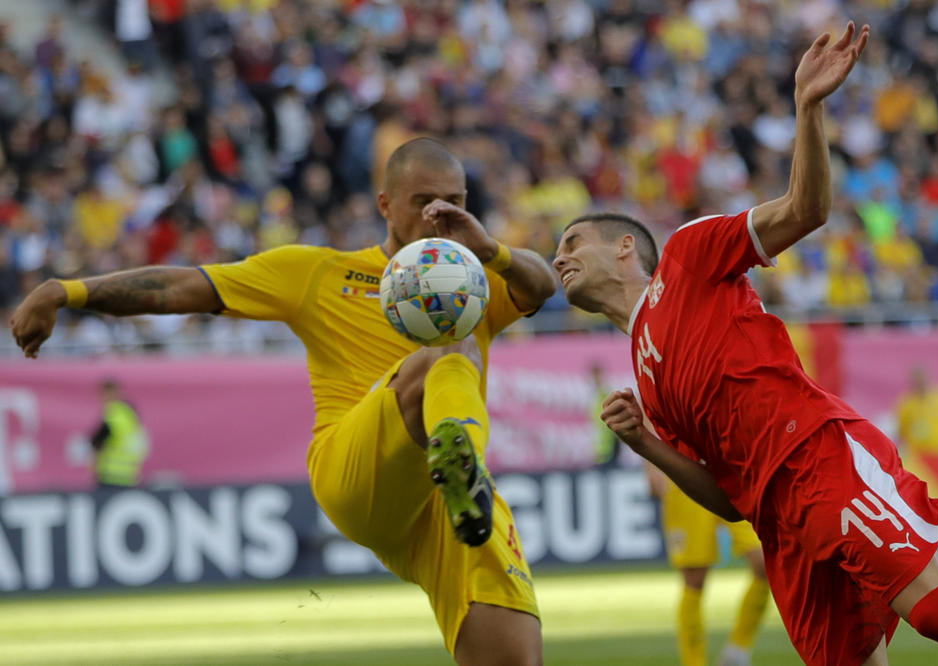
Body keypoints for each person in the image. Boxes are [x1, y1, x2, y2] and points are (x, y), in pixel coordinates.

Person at [9, 138, 556, 665]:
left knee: (511, 656)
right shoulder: (318, 273)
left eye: (454, 202)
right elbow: (184, 288)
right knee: (445, 340)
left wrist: (490, 249)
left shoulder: (477, 276)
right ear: (384, 204)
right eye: (424, 202)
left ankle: (463, 474)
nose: (440, 214)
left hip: (450, 508)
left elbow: (542, 286)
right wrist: (68, 291)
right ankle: (461, 455)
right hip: (355, 466)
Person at [553, 22, 938, 666]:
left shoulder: (686, 256)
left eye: (573, 243)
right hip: (776, 522)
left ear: (625, 246)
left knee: (933, 611)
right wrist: (643, 441)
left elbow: (804, 210)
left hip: (818, 457)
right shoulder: (643, 376)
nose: (560, 257)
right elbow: (726, 499)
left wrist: (808, 108)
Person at [646, 463, 769, 666]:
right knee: (695, 579)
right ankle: (694, 662)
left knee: (764, 564)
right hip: (685, 472)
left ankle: (737, 651)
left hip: (730, 470)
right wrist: (650, 465)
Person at [90, 378, 150, 489]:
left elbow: (100, 438)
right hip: (129, 474)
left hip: (111, 473)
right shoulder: (130, 415)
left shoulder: (115, 414)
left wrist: (94, 449)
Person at [895, 365, 938, 459]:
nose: (920, 384)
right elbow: (901, 431)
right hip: (916, 456)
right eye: (917, 382)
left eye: (922, 381)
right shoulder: (906, 402)